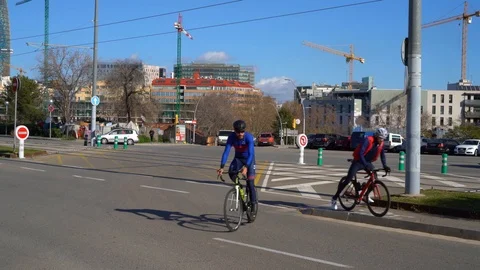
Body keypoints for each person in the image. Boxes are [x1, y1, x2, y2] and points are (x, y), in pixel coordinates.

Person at [331, 127, 391, 210]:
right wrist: (365, 164)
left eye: (383, 138)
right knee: (348, 179)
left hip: (367, 162)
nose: (382, 140)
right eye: (381, 138)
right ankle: (334, 198)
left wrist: (385, 166)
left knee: (374, 177)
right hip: (358, 161)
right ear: (376, 136)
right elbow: (361, 153)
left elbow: (382, 156)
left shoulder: (381, 144)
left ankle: (366, 195)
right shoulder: (368, 140)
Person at [217, 120, 257, 214]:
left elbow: (251, 154)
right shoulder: (231, 137)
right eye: (238, 132)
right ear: (234, 131)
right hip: (238, 158)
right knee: (231, 172)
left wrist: (246, 167)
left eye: (242, 131)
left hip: (249, 160)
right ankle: (240, 188)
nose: (240, 134)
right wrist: (222, 167)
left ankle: (253, 204)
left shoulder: (248, 137)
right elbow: (226, 152)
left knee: (250, 183)